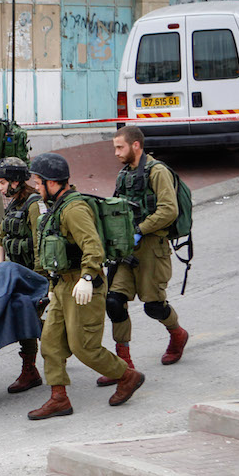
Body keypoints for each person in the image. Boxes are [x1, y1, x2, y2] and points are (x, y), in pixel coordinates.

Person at [26, 153, 145, 420]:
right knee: (51, 344)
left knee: (84, 347)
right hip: (62, 287)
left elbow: (93, 247)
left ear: (52, 183)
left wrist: (88, 277)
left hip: (83, 288)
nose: (35, 187)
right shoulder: (56, 207)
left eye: (38, 182)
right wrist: (51, 284)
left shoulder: (74, 209)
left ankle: (127, 375)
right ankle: (59, 398)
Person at [96, 125, 190, 387]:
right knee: (114, 301)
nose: (116, 153)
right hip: (126, 250)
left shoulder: (157, 171)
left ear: (136, 145)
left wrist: (140, 229)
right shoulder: (124, 174)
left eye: (120, 147)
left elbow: (168, 210)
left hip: (152, 248)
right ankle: (124, 365)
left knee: (154, 306)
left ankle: (178, 334)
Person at [0, 157, 46, 393]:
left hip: (35, 276)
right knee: (26, 321)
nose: (0, 188)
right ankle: (31, 370)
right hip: (18, 276)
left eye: (2, 182)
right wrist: (2, 269)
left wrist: (38, 283)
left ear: (16, 181)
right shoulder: (13, 205)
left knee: (40, 322)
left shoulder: (34, 205)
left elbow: (39, 246)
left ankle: (61, 353)